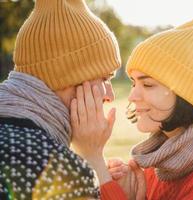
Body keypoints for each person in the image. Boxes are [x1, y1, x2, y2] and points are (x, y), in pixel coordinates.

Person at [71, 16, 193, 199]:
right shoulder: (157, 165)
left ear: (185, 93)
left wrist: (92, 158)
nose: (132, 96)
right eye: (133, 83)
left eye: (147, 85)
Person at [0, 0, 122, 199]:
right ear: (68, 77)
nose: (109, 95)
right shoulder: (62, 172)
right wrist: (91, 157)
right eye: (105, 78)